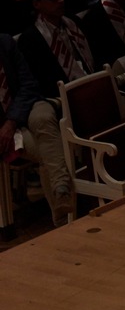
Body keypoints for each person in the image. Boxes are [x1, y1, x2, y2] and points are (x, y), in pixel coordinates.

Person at [0, 33, 75, 227]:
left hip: (26, 105)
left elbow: (28, 84)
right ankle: (62, 200)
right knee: (47, 152)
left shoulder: (5, 43)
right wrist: (7, 125)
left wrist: (12, 120)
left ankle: (62, 197)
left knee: (43, 118)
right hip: (2, 127)